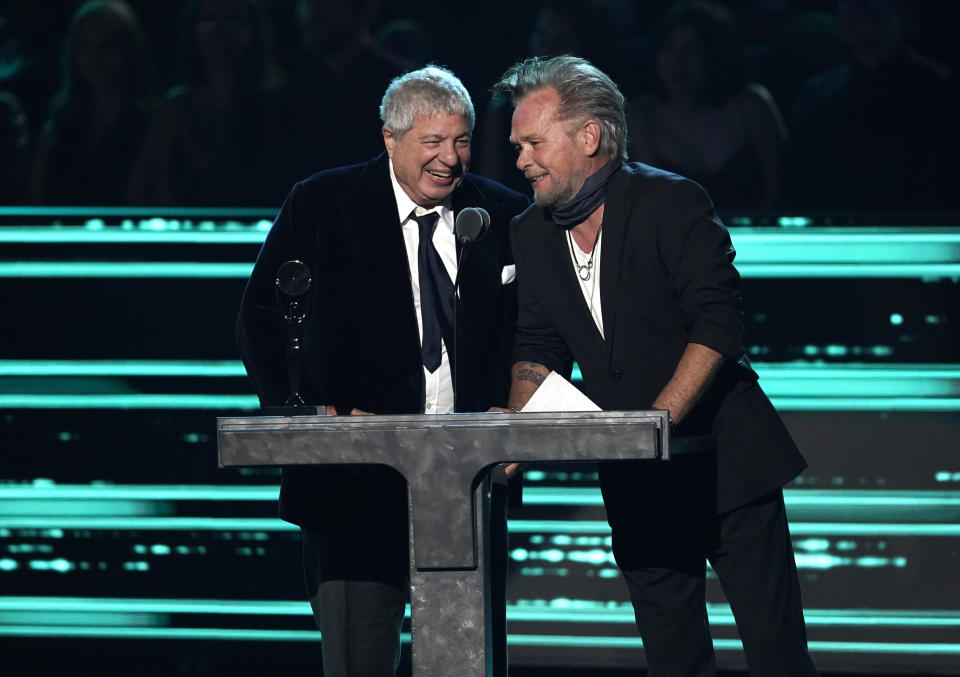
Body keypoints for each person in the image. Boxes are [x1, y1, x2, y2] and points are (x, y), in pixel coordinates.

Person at [492, 55, 818, 676]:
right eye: (516, 146)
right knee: (673, 659)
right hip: (638, 481)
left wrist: (654, 425)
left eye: (532, 143)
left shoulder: (671, 202)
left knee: (777, 655)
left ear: (588, 137)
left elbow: (717, 325)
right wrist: (516, 427)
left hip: (729, 464)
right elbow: (538, 344)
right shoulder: (529, 232)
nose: (519, 160)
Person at [237, 65, 528, 676]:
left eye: (463, 141)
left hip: (466, 482)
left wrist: (521, 413)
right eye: (432, 143)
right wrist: (313, 416)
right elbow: (265, 319)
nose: (450, 159)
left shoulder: (501, 214)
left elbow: (535, 329)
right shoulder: (323, 203)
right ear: (390, 139)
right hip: (351, 485)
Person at [628, 1, 787, 210]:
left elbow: (782, 195)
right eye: (669, 49)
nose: (677, 62)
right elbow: (651, 208)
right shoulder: (643, 116)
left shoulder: (752, 105)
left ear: (716, 56)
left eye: (691, 51)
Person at [24, 0, 153, 206]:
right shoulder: (58, 129)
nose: (97, 57)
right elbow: (34, 204)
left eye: (109, 44)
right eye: (86, 46)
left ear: (131, 50)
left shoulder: (151, 126)